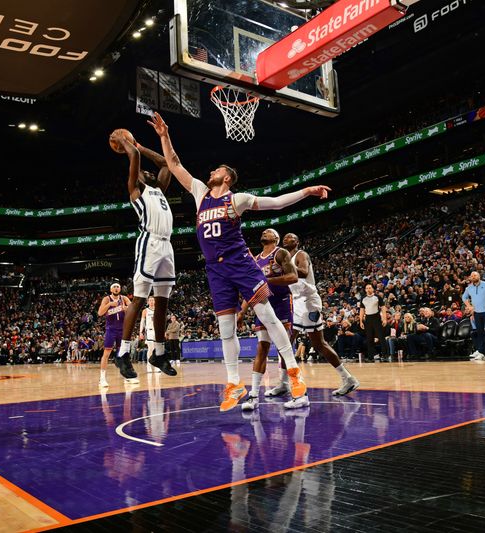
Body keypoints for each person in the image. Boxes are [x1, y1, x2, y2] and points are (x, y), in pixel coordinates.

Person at [149, 112, 331, 412]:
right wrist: (164, 136)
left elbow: (277, 202)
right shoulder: (200, 193)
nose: (211, 172)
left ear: (227, 177)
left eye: (217, 170)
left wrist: (307, 191)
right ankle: (234, 383)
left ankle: (295, 374)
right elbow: (175, 165)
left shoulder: (238, 199)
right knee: (225, 329)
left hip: (241, 264)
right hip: (215, 270)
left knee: (269, 318)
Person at [263, 233, 360, 408]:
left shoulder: (301, 255)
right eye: (285, 237)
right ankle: (285, 383)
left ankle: (346, 379)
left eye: (291, 237)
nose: (287, 238)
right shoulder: (284, 257)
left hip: (308, 301)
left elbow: (304, 272)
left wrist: (285, 270)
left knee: (305, 342)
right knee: (304, 343)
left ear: (297, 241)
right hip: (297, 301)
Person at [110, 133, 177, 380]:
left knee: (162, 302)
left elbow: (164, 163)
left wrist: (140, 144)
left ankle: (158, 352)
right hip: (149, 242)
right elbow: (135, 157)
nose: (146, 172)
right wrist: (127, 143)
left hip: (166, 246)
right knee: (139, 298)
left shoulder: (159, 190)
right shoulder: (136, 189)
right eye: (142, 172)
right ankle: (124, 353)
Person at [236, 228, 298, 411]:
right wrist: (242, 312)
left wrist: (268, 281)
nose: (264, 232)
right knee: (262, 347)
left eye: (269, 231)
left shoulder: (281, 253)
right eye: (263, 231)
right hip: (262, 304)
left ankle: (291, 386)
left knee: (284, 346)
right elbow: (252, 288)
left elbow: (293, 277)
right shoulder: (255, 259)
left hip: (281, 303)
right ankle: (254, 394)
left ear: (276, 238)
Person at [96, 283, 131, 388]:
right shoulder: (106, 299)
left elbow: (132, 308)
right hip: (111, 329)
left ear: (120, 289)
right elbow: (100, 313)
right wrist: (109, 305)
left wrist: (126, 308)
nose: (116, 288)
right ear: (111, 289)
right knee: (106, 353)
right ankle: (102, 379)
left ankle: (126, 376)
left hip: (122, 329)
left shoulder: (124, 298)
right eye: (114, 287)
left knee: (124, 353)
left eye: (118, 287)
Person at [359, 284, 387, 360]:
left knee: (381, 337)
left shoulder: (378, 297)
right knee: (369, 338)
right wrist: (361, 321)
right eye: (367, 288)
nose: (368, 289)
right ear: (365, 290)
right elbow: (362, 310)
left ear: (373, 289)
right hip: (367, 318)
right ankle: (371, 356)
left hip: (376, 317)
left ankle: (385, 355)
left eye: (370, 288)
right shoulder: (363, 298)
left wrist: (384, 319)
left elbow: (383, 308)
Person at [140, 296, 161, 373]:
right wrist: (140, 332)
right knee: (151, 349)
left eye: (153, 300)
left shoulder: (158, 310)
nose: (151, 302)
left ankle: (156, 366)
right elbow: (142, 322)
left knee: (157, 349)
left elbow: (161, 322)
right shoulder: (145, 311)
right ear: (148, 302)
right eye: (150, 300)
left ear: (155, 301)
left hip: (157, 331)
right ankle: (149, 365)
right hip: (149, 331)